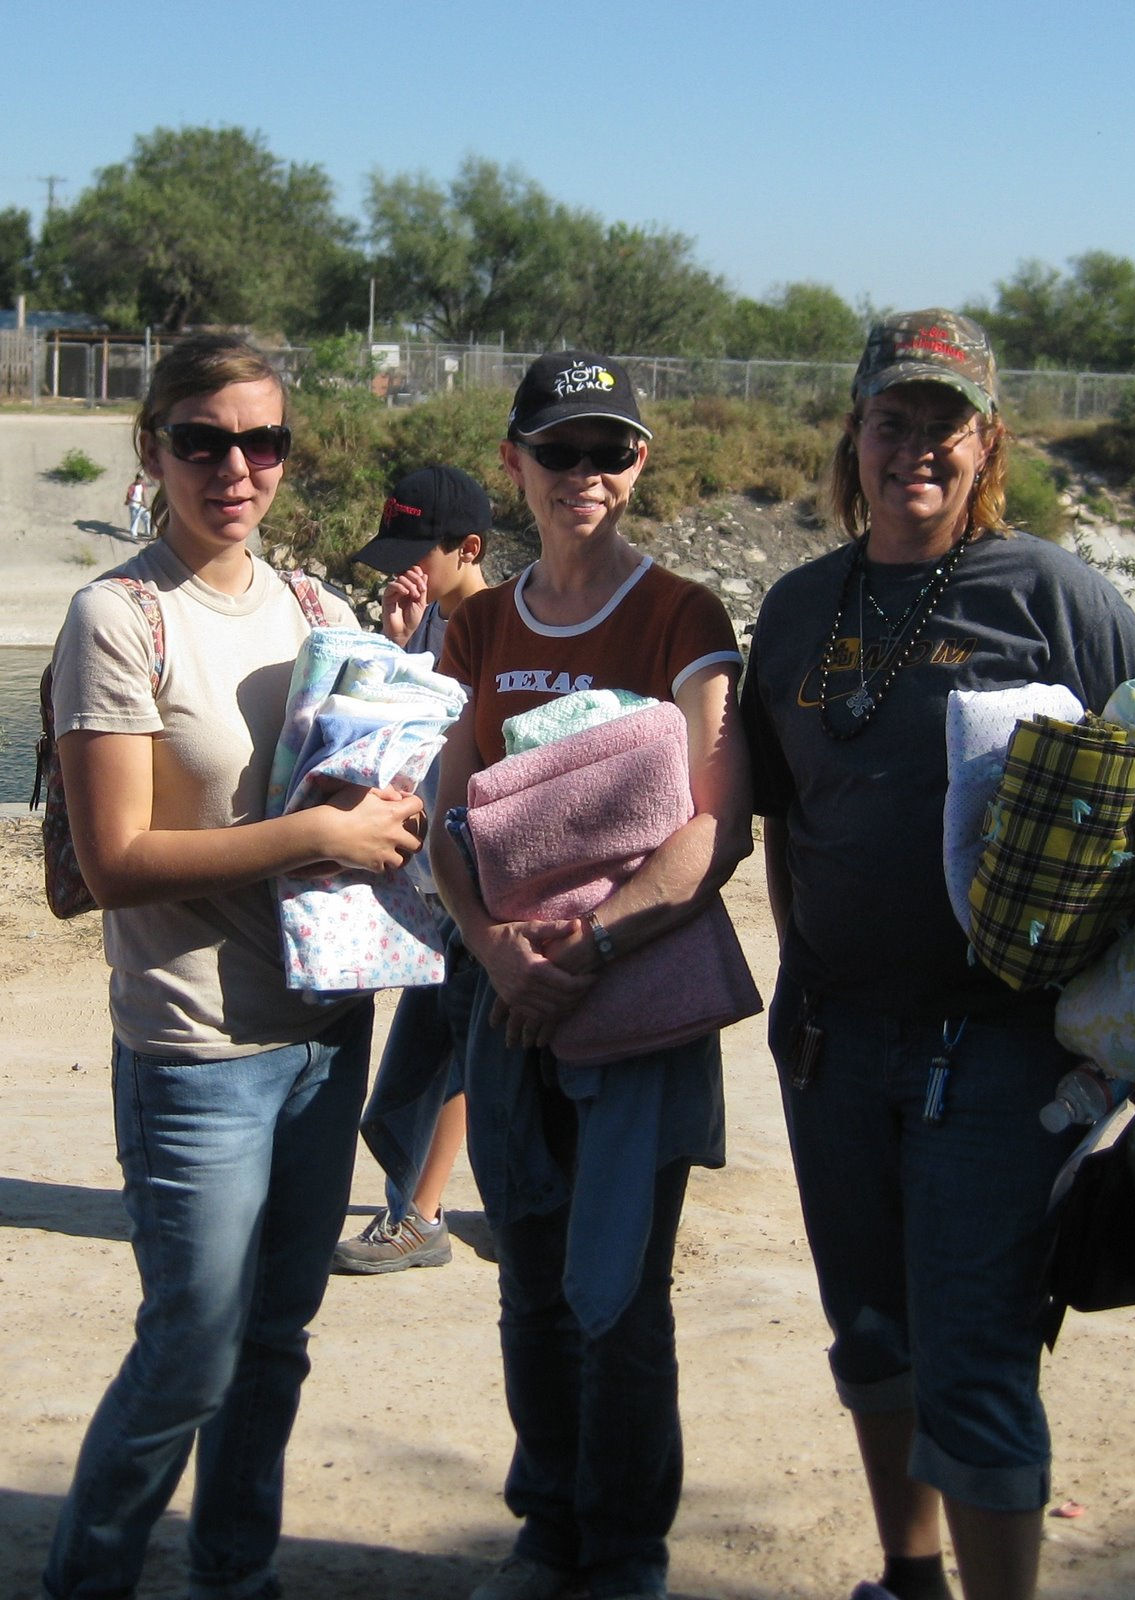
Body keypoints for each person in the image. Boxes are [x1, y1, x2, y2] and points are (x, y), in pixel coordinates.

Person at [739, 310, 1135, 1600]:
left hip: (999, 1055)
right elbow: (783, 820)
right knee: (874, 1340)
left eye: (945, 427)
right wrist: (798, 987)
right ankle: (911, 1577)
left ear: (987, 442)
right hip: (835, 1046)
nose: (916, 452)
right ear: (856, 432)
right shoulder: (794, 610)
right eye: (893, 422)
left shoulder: (1056, 595)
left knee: (978, 1356)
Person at [43, 334, 425, 1600]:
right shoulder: (120, 614)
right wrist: (318, 834)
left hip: (323, 1033)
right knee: (190, 1354)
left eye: (262, 441)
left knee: (275, 1344)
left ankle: (234, 1574)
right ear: (153, 451)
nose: (235, 467)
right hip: (195, 1046)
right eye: (202, 439)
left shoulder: (320, 612)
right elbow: (117, 862)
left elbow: (388, 780)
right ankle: (88, 1576)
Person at [428, 350, 751, 1600]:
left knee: (622, 1291)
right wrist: (494, 947)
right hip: (508, 1004)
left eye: (609, 452)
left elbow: (717, 822)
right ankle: (545, 1524)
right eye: (558, 451)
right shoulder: (479, 624)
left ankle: (624, 1547)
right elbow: (446, 807)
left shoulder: (684, 615)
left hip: (636, 1004)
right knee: (532, 1285)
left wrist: (598, 944)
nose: (585, 475)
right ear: (514, 462)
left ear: (639, 465)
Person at [332, 465, 492, 1273]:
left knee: (458, 1044)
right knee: (440, 1047)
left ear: (468, 548)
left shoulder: (509, 629)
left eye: (413, 551)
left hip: (485, 882)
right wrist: (396, 644)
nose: (400, 570)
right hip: (432, 886)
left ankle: (419, 1214)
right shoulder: (427, 626)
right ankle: (439, 1204)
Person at [124, 469, 150, 539]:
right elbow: (129, 497)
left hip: (141, 505)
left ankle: (147, 532)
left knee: (147, 516)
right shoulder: (132, 487)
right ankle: (133, 535)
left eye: (142, 479)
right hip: (134, 505)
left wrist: (145, 503)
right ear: (137, 478)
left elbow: (143, 494)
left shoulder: (142, 485)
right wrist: (138, 502)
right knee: (135, 519)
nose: (141, 481)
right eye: (140, 479)